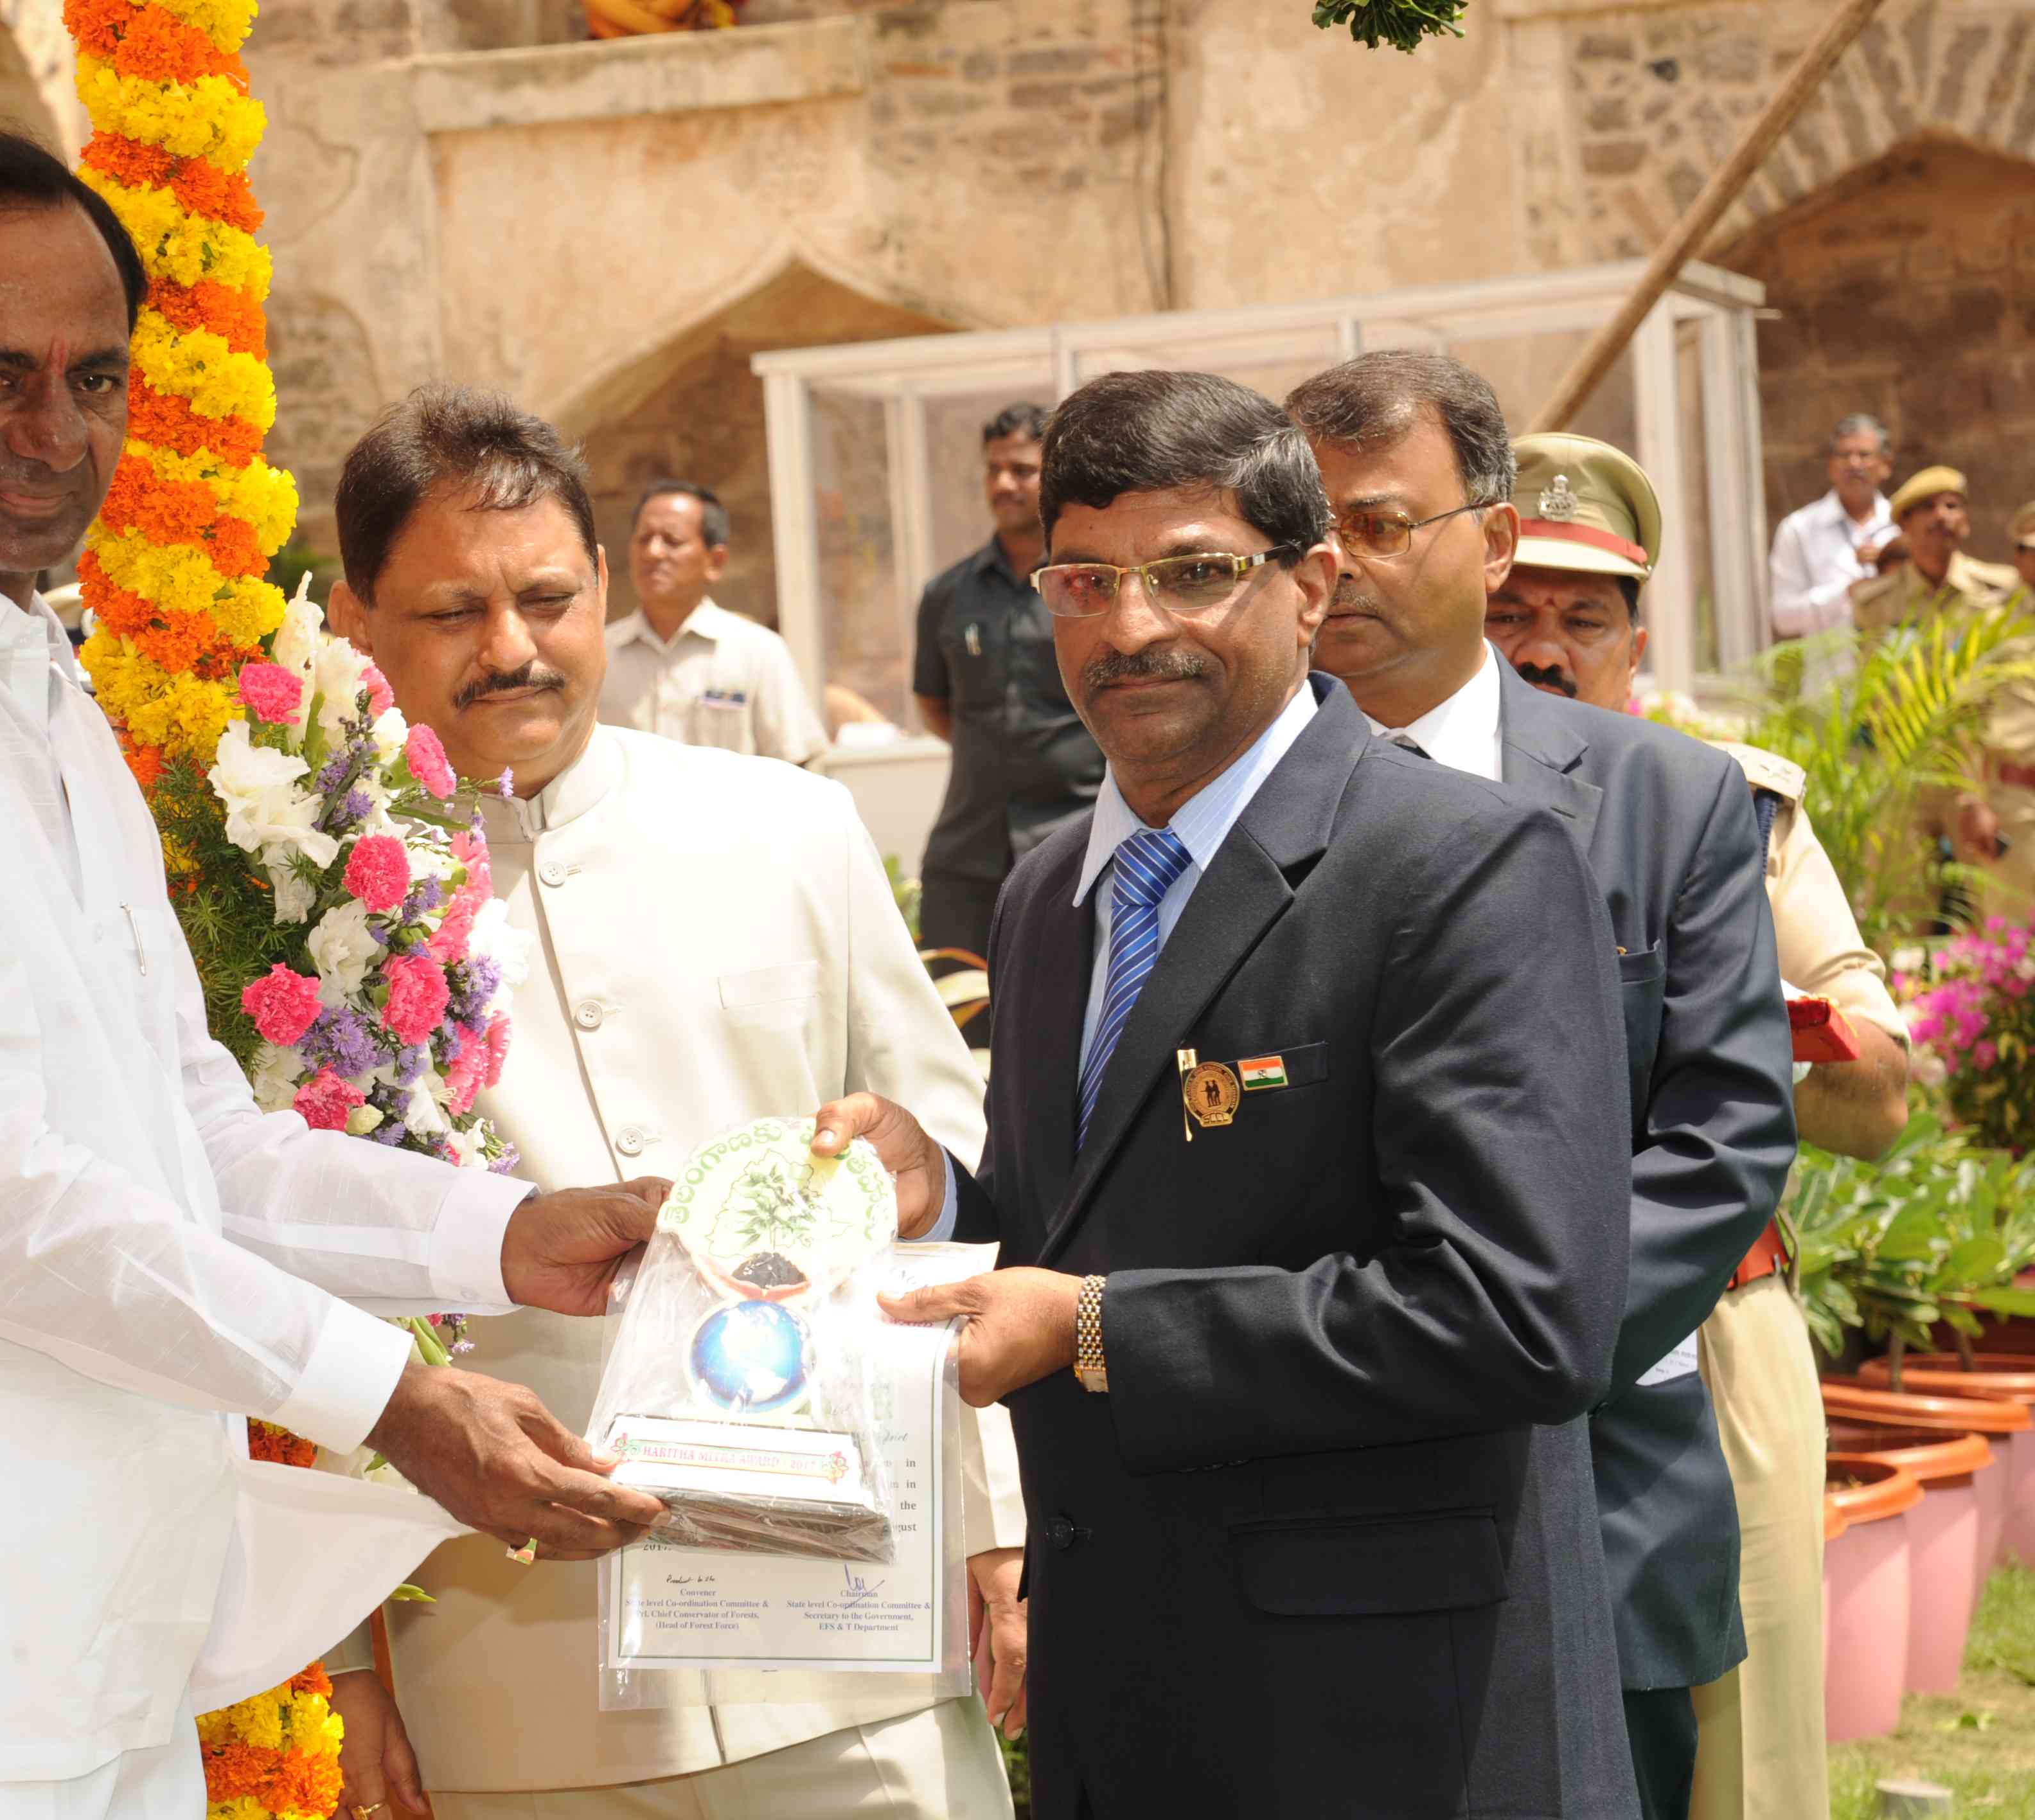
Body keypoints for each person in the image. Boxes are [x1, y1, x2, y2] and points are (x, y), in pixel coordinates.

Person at [0, 129, 670, 1820]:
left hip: (94, 1648)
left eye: (93, 378)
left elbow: (189, 1137)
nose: (54, 433)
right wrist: (390, 1394)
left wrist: (506, 1234)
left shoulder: (25, 680)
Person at [819, 368, 1640, 1817]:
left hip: (1395, 1727)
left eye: (1194, 573)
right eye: (1085, 580)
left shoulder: (1461, 866)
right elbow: (1105, 1218)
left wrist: (1096, 1330)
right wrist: (943, 1197)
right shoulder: (1048, 897)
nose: (1132, 627)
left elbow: (1516, 1314)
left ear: (1309, 585)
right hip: (1127, 1703)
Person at [326, 386, 1024, 1820]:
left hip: (850, 1644)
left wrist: (999, 1528)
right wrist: (340, 1666)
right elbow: (284, 1273)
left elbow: (956, 1188)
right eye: (453, 611)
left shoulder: (788, 828)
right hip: (512, 1682)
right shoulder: (299, 906)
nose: (512, 648)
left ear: (601, 587)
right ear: (356, 621)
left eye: (547, 599)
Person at [1288, 353, 1795, 1820]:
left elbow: (1723, 1135)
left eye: (1384, 524)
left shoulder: (1667, 798)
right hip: (1295, 1492)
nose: (1340, 566)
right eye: (1309, 530)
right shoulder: (1210, 807)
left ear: (1495, 539)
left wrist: (1503, 1345)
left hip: (1591, 1477)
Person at [1486, 472, 1912, 1820]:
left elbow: (1882, 1094)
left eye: (1582, 620)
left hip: (1709, 1331)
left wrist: (1728, 1012)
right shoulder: (1376, 805)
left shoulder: (1735, 812)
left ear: (1637, 641)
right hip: (1452, 1337)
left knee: (1739, 1765)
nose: (1543, 650)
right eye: (1509, 614)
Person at [910, 404, 1104, 980]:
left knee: (1071, 1012)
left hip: (1079, 842)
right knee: (962, 1014)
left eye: (1021, 470)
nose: (1003, 484)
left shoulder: (1089, 585)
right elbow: (934, 704)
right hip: (967, 855)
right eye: (993, 470)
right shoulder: (948, 593)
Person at [1849, 465, 2034, 923]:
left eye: (1953, 506)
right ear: (1905, 525)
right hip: (1906, 773)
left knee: (1994, 910)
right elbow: (1875, 695)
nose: (1942, 516)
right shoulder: (1877, 604)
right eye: (1928, 508)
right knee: (1898, 912)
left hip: (1978, 776)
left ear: (1966, 522)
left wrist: (1977, 787)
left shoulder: (2001, 594)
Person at [596, 479, 825, 762]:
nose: (653, 552)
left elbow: (797, 762)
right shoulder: (598, 654)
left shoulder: (758, 652)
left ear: (715, 561)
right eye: (644, 539)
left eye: (672, 540)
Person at [1766, 414, 1894, 641]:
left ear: (1886, 465)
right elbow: (1783, 618)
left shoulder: (1904, 527)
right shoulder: (1798, 529)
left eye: (1864, 455)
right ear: (1830, 466)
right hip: (1832, 664)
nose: (1854, 464)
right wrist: (1845, 594)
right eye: (1844, 455)